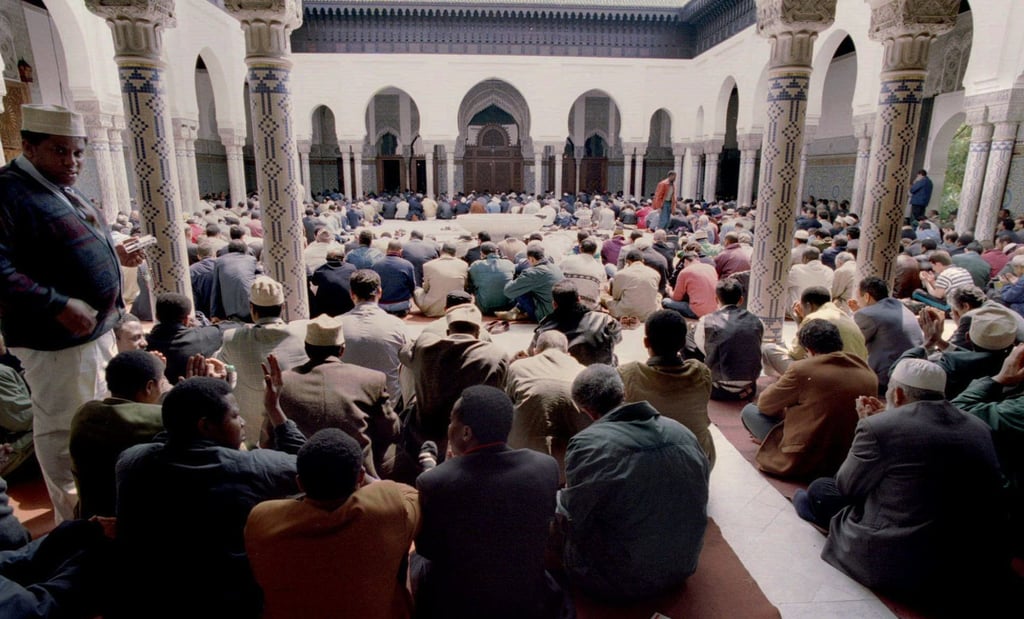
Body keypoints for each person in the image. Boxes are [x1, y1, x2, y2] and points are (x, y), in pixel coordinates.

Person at [0, 104, 146, 522]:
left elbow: (70, 247)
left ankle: (98, 504)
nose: (73, 162)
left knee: (95, 419)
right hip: (56, 341)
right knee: (66, 430)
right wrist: (56, 303)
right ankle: (74, 520)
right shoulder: (9, 192)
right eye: (60, 152)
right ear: (29, 146)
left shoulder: (61, 187)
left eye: (78, 153)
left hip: (92, 332)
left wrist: (115, 255)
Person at [794, 359, 1005, 608]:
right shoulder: (977, 426)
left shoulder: (879, 427)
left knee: (820, 489)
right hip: (965, 558)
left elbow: (847, 486)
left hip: (900, 558)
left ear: (897, 392)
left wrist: (865, 425)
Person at [114, 374, 306, 618]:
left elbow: (165, 441)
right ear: (205, 426)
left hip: (145, 602)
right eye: (235, 416)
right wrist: (275, 411)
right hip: (225, 605)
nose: (243, 422)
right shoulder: (250, 467)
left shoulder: (130, 461)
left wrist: (185, 405)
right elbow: (313, 463)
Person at [559, 364, 709, 602]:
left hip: (618, 580)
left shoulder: (587, 442)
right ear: (624, 393)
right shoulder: (681, 431)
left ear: (585, 410)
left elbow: (575, 515)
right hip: (683, 565)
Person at [412, 386, 561, 619]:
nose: (449, 427)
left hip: (461, 604)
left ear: (466, 433)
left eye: (452, 421)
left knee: (415, 559)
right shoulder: (545, 466)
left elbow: (428, 548)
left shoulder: (434, 482)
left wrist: (442, 469)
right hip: (526, 598)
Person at [245, 429, 420, 619]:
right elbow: (412, 496)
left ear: (299, 483)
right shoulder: (390, 508)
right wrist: (366, 480)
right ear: (360, 477)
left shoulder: (262, 521)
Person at [741, 320, 877, 480]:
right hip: (846, 456)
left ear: (809, 350)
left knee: (749, 412)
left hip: (806, 458)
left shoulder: (802, 370)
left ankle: (771, 442)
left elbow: (765, 405)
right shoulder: (867, 372)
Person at [271, 314, 400, 479]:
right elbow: (391, 429)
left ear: (306, 348)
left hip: (299, 476)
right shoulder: (372, 379)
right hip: (357, 478)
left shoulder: (283, 381)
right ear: (341, 349)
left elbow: (269, 435)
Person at [400, 305, 509, 461]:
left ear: (448, 332)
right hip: (469, 439)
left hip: (424, 432)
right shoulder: (495, 355)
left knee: (408, 369)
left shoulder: (425, 346)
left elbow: (403, 353)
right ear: (478, 333)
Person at [69, 350, 165, 519]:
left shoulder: (84, 414)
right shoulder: (158, 421)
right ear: (149, 387)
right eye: (161, 383)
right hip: (131, 523)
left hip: (89, 519)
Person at [215, 276, 310, 446]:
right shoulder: (302, 333)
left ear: (252, 309)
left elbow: (218, 365)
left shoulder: (233, 339)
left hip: (249, 432)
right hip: (293, 428)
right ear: (282, 307)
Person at [618, 310, 715, 466]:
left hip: (645, 468)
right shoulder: (700, 372)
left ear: (646, 342)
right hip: (697, 465)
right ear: (683, 342)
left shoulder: (628, 374)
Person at [504, 331, 588, 475]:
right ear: (568, 353)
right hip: (570, 466)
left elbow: (504, 405)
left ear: (536, 351)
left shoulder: (518, 368)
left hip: (522, 460)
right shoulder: (584, 372)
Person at [762, 286, 867, 377]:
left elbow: (797, 354)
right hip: (856, 375)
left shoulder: (813, 318)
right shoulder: (844, 316)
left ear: (808, 305)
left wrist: (802, 320)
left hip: (826, 378)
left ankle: (784, 380)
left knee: (769, 348)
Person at [340, 270, 408, 410]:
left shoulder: (336, 325)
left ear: (352, 294)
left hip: (347, 407)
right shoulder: (397, 325)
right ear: (380, 292)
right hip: (388, 405)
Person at [849, 276, 924, 393]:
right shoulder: (902, 308)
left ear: (867, 297)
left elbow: (852, 343)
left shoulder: (867, 315)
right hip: (913, 373)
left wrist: (856, 315)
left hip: (887, 378)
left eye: (859, 298)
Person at [694, 278, 764, 400]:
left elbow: (703, 348)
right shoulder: (757, 321)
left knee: (690, 340)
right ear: (741, 299)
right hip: (749, 388)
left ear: (716, 299)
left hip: (718, 390)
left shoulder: (706, 321)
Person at [532, 280, 622, 366]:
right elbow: (618, 339)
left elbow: (533, 353)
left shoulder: (544, 330)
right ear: (579, 299)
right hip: (600, 376)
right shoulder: (605, 320)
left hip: (565, 378)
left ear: (554, 304)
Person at [145, 293, 227, 384]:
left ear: (157, 316)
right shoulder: (204, 336)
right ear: (187, 319)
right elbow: (234, 326)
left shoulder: (144, 344)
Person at [498, 244, 563, 322]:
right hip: (559, 313)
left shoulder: (533, 272)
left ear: (531, 259)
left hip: (545, 316)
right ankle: (517, 310)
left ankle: (518, 312)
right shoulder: (555, 268)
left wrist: (514, 278)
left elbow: (508, 291)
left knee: (520, 288)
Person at [602, 249, 661, 321]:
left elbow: (616, 297)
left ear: (627, 262)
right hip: (649, 313)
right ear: (642, 261)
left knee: (604, 298)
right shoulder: (655, 273)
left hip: (626, 313)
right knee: (658, 295)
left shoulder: (621, 274)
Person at [211, 239, 261, 321]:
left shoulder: (220, 261)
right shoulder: (252, 260)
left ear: (229, 250)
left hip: (232, 310)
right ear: (245, 250)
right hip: (253, 307)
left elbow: (215, 288)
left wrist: (214, 314)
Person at [413, 242, 468, 317]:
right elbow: (465, 285)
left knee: (417, 290)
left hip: (432, 310)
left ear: (441, 251)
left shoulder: (428, 265)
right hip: (455, 309)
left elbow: (426, 288)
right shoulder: (464, 265)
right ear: (455, 252)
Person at [663, 250, 718, 319]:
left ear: (685, 261)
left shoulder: (685, 272)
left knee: (665, 301)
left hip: (698, 311)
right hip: (714, 310)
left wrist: (669, 290)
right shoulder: (711, 268)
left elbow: (676, 298)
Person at [558, 237, 607, 310]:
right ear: (595, 251)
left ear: (580, 249)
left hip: (566, 304)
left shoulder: (567, 260)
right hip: (590, 308)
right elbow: (603, 289)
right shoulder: (600, 268)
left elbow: (557, 274)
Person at [467, 242, 515, 315]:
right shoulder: (509, 264)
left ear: (482, 253)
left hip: (483, 308)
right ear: (496, 252)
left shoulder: (476, 265)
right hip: (507, 307)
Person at [372, 240, 416, 317]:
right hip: (401, 306)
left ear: (387, 250)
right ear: (401, 251)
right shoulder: (407, 265)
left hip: (380, 305)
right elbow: (412, 286)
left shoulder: (376, 265)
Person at [785, 247, 834, 313]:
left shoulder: (797, 269)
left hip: (800, 310)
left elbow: (784, 284)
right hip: (823, 310)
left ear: (805, 258)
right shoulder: (829, 270)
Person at [308, 248, 356, 317]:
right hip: (347, 306)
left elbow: (314, 282)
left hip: (326, 308)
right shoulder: (352, 268)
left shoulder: (320, 270)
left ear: (326, 259)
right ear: (343, 258)